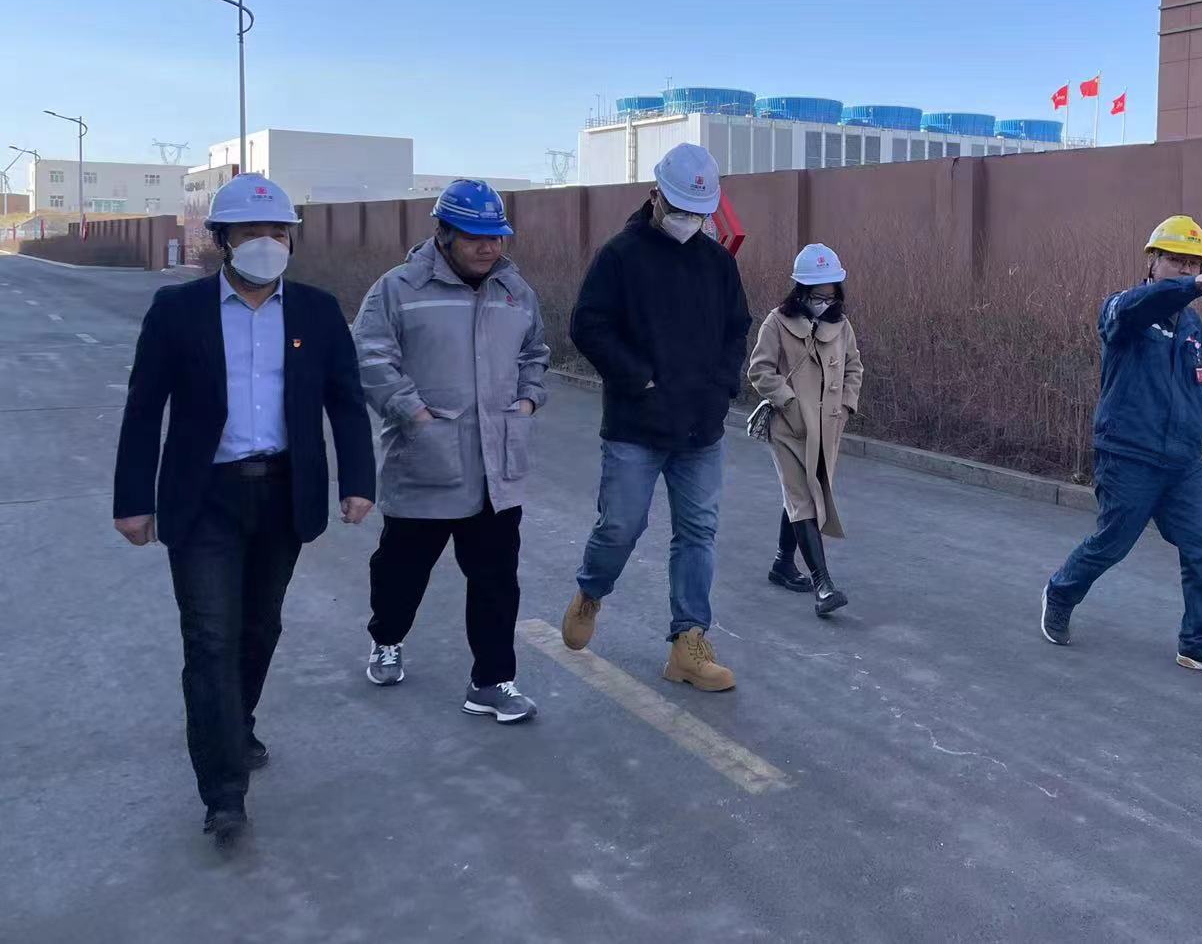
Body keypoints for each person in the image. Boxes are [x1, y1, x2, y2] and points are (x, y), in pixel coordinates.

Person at [112, 173, 376, 849]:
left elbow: (346, 401)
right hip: (204, 497)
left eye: (278, 230)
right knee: (209, 639)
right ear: (222, 239)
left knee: (259, 627)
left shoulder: (317, 311)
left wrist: (358, 480)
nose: (267, 241)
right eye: (252, 230)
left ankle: (236, 722)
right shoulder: (178, 312)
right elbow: (144, 407)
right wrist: (133, 499)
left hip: (283, 492)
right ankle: (224, 791)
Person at [354, 179, 550, 724]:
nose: (489, 248)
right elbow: (370, 357)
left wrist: (528, 401)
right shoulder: (398, 289)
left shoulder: (515, 291)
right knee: (401, 571)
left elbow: (536, 352)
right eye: (475, 237)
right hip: (426, 460)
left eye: (497, 236)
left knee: (496, 580)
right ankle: (386, 638)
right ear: (443, 234)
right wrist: (413, 413)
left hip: (497, 468)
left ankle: (491, 681)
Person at [560, 143, 751, 691]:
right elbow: (588, 325)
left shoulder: (717, 263)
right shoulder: (620, 256)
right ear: (655, 197)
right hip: (636, 427)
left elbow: (737, 327)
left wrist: (721, 386)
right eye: (681, 209)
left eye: (698, 213)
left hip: (701, 428)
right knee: (621, 525)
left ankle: (688, 643)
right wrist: (639, 378)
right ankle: (591, 591)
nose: (689, 220)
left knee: (698, 532)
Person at [1040, 215, 1202, 681]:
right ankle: (1061, 592)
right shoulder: (1124, 311)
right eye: (1176, 260)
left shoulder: (1193, 328)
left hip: (1182, 461)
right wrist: (1186, 288)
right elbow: (1141, 306)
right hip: (1129, 455)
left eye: (1193, 263)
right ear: (1152, 261)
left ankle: (1199, 643)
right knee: (1112, 543)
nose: (1186, 269)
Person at [747, 243, 863, 617]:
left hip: (828, 428)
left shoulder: (842, 326)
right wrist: (789, 402)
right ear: (801, 291)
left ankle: (783, 563)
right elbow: (759, 370)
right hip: (789, 427)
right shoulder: (776, 323)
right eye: (817, 296)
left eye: (831, 296)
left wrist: (846, 406)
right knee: (804, 498)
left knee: (803, 493)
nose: (824, 303)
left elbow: (854, 368)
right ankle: (823, 585)